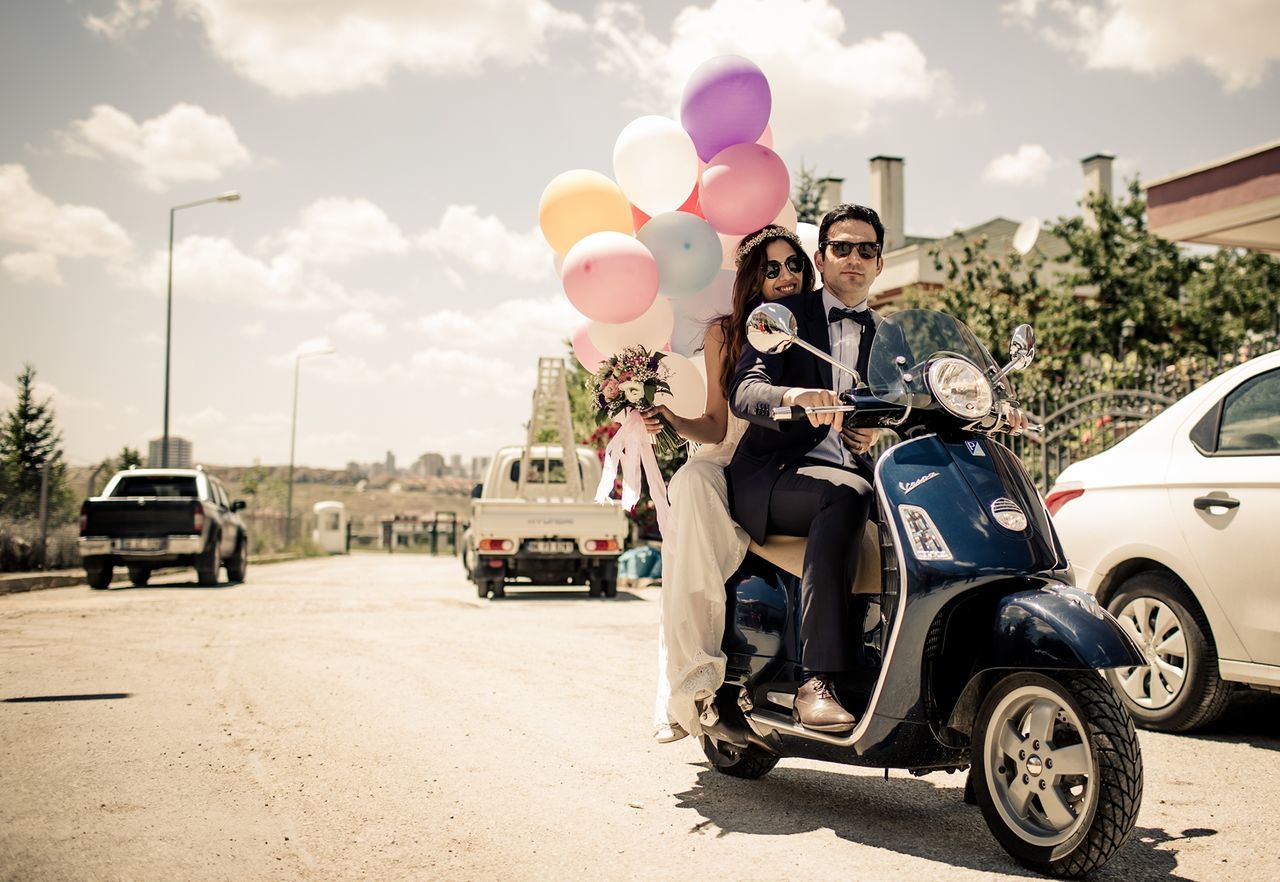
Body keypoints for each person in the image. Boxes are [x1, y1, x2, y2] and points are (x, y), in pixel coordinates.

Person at [641, 225, 816, 743]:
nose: (786, 276)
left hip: (791, 464)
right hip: (727, 458)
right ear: (751, 278)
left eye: (794, 265)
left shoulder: (819, 326)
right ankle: (699, 686)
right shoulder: (727, 332)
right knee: (694, 481)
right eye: (771, 268)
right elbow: (716, 425)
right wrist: (669, 414)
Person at [727, 203, 888, 733]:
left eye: (866, 250)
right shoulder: (786, 317)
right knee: (844, 495)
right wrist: (795, 394)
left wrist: (880, 428)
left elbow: (914, 404)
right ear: (820, 258)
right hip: (773, 477)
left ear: (880, 263)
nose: (854, 259)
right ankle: (815, 680)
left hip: (852, 474)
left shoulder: (891, 338)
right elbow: (746, 391)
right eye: (841, 247)